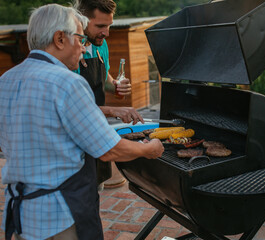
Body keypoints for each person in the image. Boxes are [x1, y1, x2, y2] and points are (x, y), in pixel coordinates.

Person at [0, 4, 164, 240]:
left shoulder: (6, 80)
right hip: (61, 216)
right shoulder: (67, 83)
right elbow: (109, 149)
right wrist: (148, 149)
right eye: (78, 38)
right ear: (59, 39)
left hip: (22, 215)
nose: (82, 45)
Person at [73, 0, 140, 188]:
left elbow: (105, 80)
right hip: (77, 133)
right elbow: (74, 107)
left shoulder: (101, 44)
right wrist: (114, 110)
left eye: (109, 25)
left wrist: (116, 86)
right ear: (81, 21)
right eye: (100, 26)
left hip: (97, 129)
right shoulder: (69, 50)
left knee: (97, 188)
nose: (107, 32)